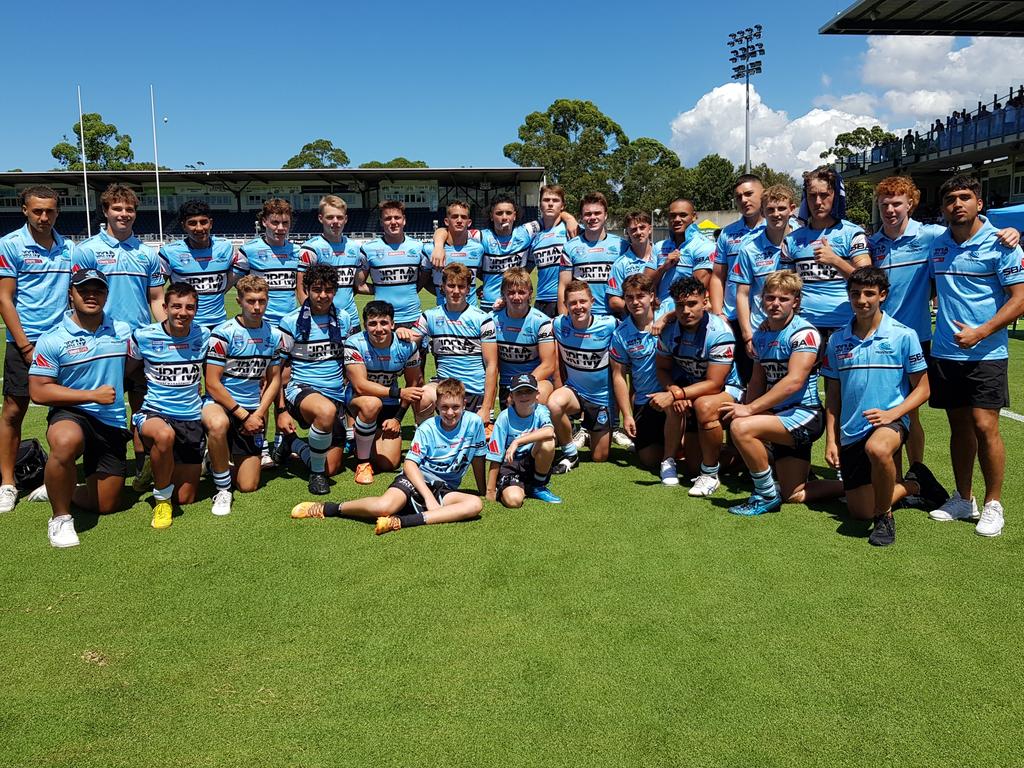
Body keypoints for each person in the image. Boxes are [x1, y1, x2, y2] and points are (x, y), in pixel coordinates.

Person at [867, 176, 1018, 489]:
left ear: (912, 204)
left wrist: (1014, 232)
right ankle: (907, 483)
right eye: (885, 205)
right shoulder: (877, 243)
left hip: (923, 339)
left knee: (919, 415)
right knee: (892, 410)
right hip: (913, 344)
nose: (891, 210)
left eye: (898, 203)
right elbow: (862, 279)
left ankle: (919, 476)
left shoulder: (930, 235)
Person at [927, 174, 1024, 536]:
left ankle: (993, 504)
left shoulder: (1003, 244)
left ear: (979, 203)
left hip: (987, 353)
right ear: (943, 208)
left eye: (965, 197)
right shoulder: (937, 245)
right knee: (959, 428)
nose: (958, 204)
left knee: (986, 427)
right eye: (951, 199)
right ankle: (963, 497)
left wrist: (981, 332)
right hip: (946, 354)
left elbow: (1020, 300)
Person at [290, 378, 486, 535]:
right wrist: (429, 498)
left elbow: (478, 457)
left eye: (455, 407)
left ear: (464, 404)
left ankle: (399, 522)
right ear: (437, 406)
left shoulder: (474, 423)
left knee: (474, 504)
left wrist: (484, 490)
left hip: (445, 488)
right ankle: (329, 508)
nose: (450, 413)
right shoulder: (428, 428)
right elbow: (409, 464)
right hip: (416, 481)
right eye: (444, 407)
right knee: (384, 506)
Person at [822, 267, 932, 547]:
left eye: (869, 293)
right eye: (856, 293)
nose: (862, 300)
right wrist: (831, 440)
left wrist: (892, 415)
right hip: (851, 430)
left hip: (890, 422)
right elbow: (833, 396)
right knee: (859, 511)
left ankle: (885, 517)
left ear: (882, 295)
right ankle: (915, 485)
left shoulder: (903, 335)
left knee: (878, 449)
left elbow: (923, 388)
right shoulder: (837, 340)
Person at [719, 271, 845, 516]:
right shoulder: (762, 333)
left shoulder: (804, 333)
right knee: (794, 494)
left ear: (795, 302)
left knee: (741, 428)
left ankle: (765, 494)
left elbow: (794, 382)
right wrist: (748, 406)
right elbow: (757, 380)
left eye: (783, 299)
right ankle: (855, 486)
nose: (775, 303)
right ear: (762, 300)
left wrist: (749, 411)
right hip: (781, 416)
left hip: (805, 415)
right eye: (770, 298)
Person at [28, 268, 131, 548]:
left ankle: (60, 488)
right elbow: (38, 390)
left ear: (106, 295)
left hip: (111, 421)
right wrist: (91, 395)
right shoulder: (53, 338)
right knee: (65, 440)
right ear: (71, 295)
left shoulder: (122, 331)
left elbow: (140, 361)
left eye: (97, 290)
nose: (91, 295)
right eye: (83, 290)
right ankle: (60, 518)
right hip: (73, 412)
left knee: (107, 503)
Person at [73, 184, 166, 489]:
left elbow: (155, 298)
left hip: (140, 343)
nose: (124, 214)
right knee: (102, 406)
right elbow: (76, 295)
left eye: (129, 209)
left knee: (142, 407)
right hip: (102, 343)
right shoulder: (86, 250)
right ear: (106, 212)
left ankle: (142, 470)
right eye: (118, 209)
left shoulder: (146, 253)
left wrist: (166, 334)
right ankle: (98, 467)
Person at [0, 186, 74, 513]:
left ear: (57, 212)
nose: (44, 217)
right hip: (23, 344)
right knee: (14, 412)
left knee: (65, 413)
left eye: (50, 211)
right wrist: (25, 345)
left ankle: (53, 477)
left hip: (61, 344)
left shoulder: (69, 248)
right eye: (37, 211)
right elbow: (4, 298)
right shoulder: (10, 245)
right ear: (25, 211)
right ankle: (7, 483)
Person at [127, 283, 210, 529]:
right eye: (176, 306)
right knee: (164, 435)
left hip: (191, 417)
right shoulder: (144, 336)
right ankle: (161, 502)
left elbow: (213, 373)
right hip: (155, 412)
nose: (182, 313)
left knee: (186, 498)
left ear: (196, 310)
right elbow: (126, 372)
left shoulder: (203, 335)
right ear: (164, 308)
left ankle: (153, 470)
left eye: (189, 307)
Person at [655, 277, 743, 496]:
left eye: (692, 303)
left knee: (704, 405)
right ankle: (741, 456)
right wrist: (675, 390)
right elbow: (662, 369)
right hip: (691, 389)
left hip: (726, 391)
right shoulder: (669, 330)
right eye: (679, 305)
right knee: (693, 465)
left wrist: (679, 393)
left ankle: (710, 474)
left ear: (705, 302)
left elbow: (715, 383)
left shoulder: (719, 331)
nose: (685, 310)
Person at [201, 276, 282, 516]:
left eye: (262, 301)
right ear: (239, 301)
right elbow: (212, 384)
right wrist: (243, 415)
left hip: (251, 410)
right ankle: (222, 488)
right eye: (251, 301)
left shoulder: (274, 335)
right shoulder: (223, 333)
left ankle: (215, 458)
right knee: (218, 424)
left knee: (248, 486)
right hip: (221, 404)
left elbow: (274, 379)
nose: (257, 307)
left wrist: (257, 414)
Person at [232, 198, 301, 466]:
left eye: (285, 222)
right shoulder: (249, 251)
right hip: (259, 330)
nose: (280, 227)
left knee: (281, 383)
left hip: (289, 330)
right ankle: (259, 445)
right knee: (260, 387)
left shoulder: (298, 252)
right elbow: (234, 285)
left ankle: (282, 442)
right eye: (275, 222)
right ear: (264, 222)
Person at [275, 263, 354, 495]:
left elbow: (349, 359)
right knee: (325, 412)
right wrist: (281, 410)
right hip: (302, 390)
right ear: (306, 289)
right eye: (317, 289)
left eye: (329, 290)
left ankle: (293, 443)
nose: (323, 295)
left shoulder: (344, 318)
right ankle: (316, 476)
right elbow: (277, 369)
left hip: (335, 395)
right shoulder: (291, 322)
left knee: (333, 467)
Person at [401, 263, 497, 426]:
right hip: (444, 387)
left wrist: (487, 407)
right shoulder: (430, 316)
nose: (456, 291)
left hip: (473, 391)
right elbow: (411, 341)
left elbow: (492, 366)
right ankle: (425, 437)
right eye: (451, 285)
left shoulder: (482, 319)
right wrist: (401, 332)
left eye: (461, 286)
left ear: (468, 289)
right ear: (442, 287)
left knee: (473, 446)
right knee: (422, 396)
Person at [782, 167, 872, 338]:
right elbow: (785, 287)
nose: (817, 202)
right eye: (812, 196)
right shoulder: (792, 240)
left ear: (835, 196)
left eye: (824, 195)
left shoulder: (852, 233)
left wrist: (835, 261)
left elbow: (867, 281)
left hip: (846, 324)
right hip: (804, 326)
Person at [342, 300, 424, 483]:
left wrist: (397, 418)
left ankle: (360, 439)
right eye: (372, 323)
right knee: (372, 403)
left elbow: (413, 384)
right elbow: (360, 386)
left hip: (389, 404)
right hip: (359, 400)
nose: (378, 329)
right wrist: (398, 392)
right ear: (365, 326)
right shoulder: (354, 343)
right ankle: (362, 463)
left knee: (389, 463)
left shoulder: (407, 346)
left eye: (383, 323)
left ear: (393, 324)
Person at [609, 273, 676, 479]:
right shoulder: (621, 333)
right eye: (629, 297)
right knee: (648, 460)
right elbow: (619, 376)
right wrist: (627, 415)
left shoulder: (668, 310)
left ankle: (671, 457)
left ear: (651, 296)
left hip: (674, 393)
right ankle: (670, 448)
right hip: (645, 400)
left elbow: (702, 308)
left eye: (640, 296)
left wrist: (665, 318)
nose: (635, 302)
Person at [548, 280, 617, 472]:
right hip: (575, 393)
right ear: (565, 305)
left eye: (583, 301)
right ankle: (570, 453)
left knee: (599, 458)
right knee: (554, 403)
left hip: (602, 399)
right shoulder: (559, 324)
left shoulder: (610, 324)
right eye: (572, 303)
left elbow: (635, 327)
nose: (578, 307)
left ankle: (588, 433)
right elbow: (530, 319)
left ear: (592, 302)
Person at [731, 184, 798, 364]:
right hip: (761, 330)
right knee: (759, 385)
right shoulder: (749, 250)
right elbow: (742, 294)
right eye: (770, 209)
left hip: (796, 328)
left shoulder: (803, 242)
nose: (776, 214)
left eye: (782, 208)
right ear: (763, 211)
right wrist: (747, 335)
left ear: (791, 209)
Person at [485, 373, 561, 507]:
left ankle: (538, 486)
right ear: (512, 396)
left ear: (537, 394)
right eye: (519, 392)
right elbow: (495, 457)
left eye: (529, 391)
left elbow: (549, 431)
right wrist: (490, 490)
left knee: (548, 441)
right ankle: (517, 488)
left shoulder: (541, 411)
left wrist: (517, 442)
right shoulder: (504, 417)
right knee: (514, 501)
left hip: (531, 461)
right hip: (510, 466)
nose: (524, 396)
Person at [159, 200, 237, 330]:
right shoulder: (169, 252)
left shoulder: (226, 248)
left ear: (210, 223)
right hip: (186, 326)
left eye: (203, 222)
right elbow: (156, 292)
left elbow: (235, 278)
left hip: (219, 325)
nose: (199, 228)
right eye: (192, 223)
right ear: (184, 226)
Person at [486, 268, 556, 405]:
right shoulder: (492, 320)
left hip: (535, 380)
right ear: (503, 294)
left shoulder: (541, 322)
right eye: (511, 292)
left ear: (530, 294)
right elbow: (490, 364)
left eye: (521, 292)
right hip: (507, 385)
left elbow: (548, 365)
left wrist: (522, 386)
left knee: (538, 395)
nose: (516, 297)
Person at [298, 195, 366, 330]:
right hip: (322, 320)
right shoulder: (311, 248)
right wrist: (309, 315)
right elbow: (300, 287)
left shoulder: (355, 248)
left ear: (345, 219)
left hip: (351, 320)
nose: (335, 221)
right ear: (320, 218)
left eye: (340, 217)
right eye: (330, 217)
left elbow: (356, 285)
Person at [558, 192, 627, 316]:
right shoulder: (570, 247)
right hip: (582, 316)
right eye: (588, 214)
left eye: (597, 213)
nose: (593, 217)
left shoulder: (622, 245)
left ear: (605, 215)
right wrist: (562, 319)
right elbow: (563, 286)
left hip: (615, 316)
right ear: (581, 217)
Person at [360, 200, 427, 328]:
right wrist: (380, 289)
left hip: (413, 317)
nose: (393, 222)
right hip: (383, 319)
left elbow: (424, 278)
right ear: (381, 222)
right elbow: (360, 285)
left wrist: (410, 288)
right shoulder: (368, 249)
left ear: (404, 220)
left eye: (397, 217)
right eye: (388, 218)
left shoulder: (418, 247)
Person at [421, 201, 484, 307]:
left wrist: (485, 287)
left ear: (469, 222)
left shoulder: (478, 249)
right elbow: (423, 280)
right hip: (443, 314)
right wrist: (441, 291)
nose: (459, 220)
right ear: (446, 221)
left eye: (463, 217)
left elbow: (487, 275)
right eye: (455, 216)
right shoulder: (430, 250)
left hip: (471, 313)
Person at [654, 198, 715, 302]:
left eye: (683, 215)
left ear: (694, 216)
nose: (677, 219)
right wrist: (663, 267)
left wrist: (667, 316)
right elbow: (647, 285)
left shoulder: (704, 246)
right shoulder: (659, 246)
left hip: (684, 312)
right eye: (673, 215)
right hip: (658, 310)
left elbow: (695, 294)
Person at [528, 185, 574, 317]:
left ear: (562, 206)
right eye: (546, 200)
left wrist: (570, 219)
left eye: (555, 200)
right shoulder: (535, 237)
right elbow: (527, 269)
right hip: (541, 300)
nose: (550, 204)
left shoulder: (571, 229)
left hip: (566, 300)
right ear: (540, 205)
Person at [607, 211, 658, 318]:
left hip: (664, 321)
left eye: (642, 227)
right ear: (627, 233)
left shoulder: (662, 255)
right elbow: (613, 301)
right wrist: (639, 306)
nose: (638, 232)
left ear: (650, 228)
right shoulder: (620, 264)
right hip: (634, 326)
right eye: (633, 229)